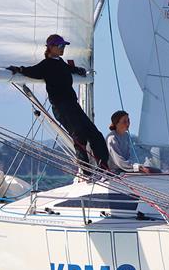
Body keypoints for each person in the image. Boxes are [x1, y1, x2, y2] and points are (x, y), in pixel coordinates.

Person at [8, 34, 109, 171]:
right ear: (51, 47)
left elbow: (69, 69)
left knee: (95, 134)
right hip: (61, 107)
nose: (63, 48)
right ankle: (87, 172)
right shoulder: (46, 65)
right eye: (60, 46)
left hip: (73, 105)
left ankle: (103, 167)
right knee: (79, 135)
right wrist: (19, 69)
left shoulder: (61, 63)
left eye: (64, 46)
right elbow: (32, 71)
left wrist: (79, 70)